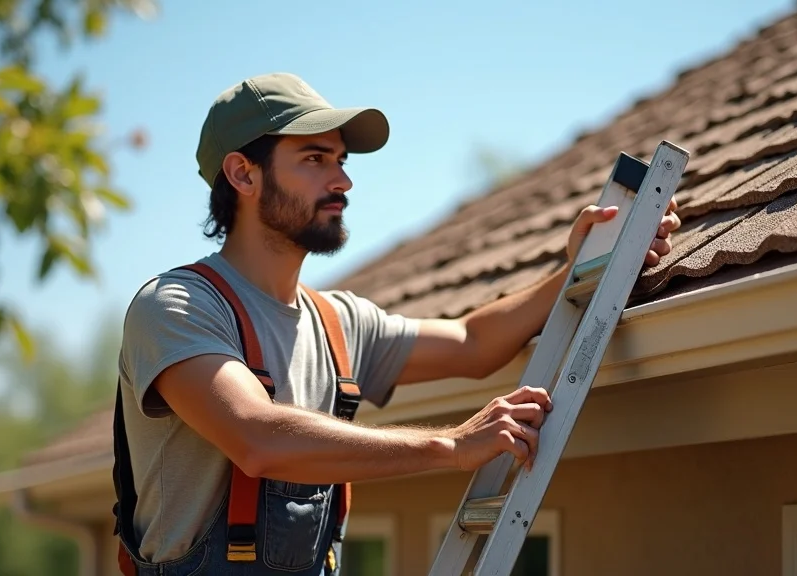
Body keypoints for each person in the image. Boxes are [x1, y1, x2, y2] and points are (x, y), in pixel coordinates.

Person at [111, 72, 681, 576]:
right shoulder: (178, 307)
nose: (342, 182)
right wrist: (450, 444)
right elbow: (256, 437)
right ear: (242, 173)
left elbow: (472, 342)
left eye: (341, 161)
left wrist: (584, 268)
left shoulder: (338, 323)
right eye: (314, 159)